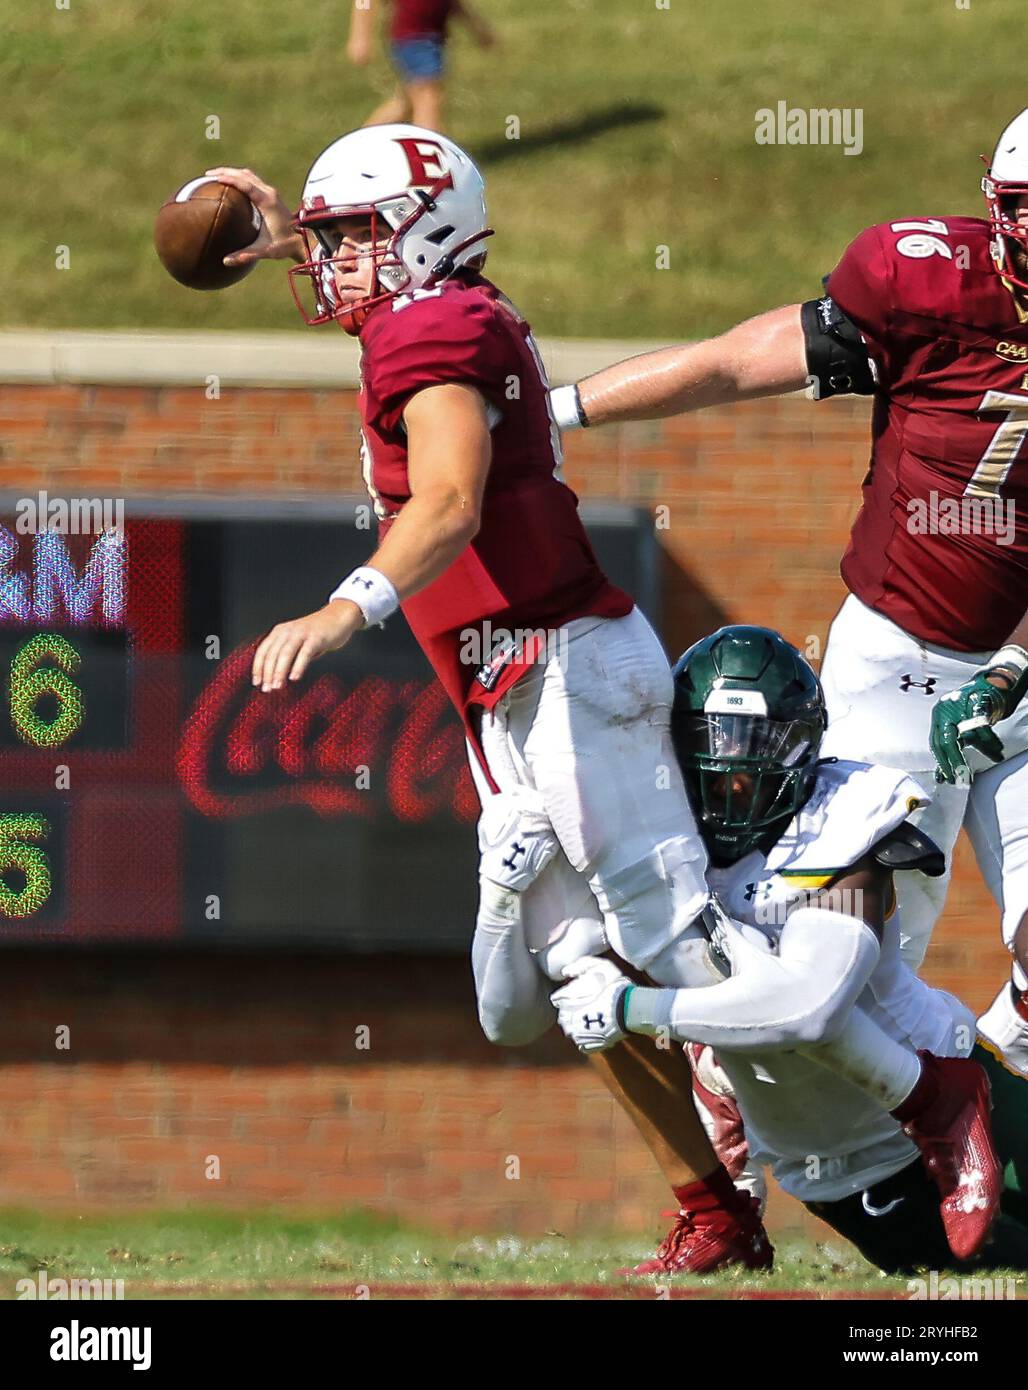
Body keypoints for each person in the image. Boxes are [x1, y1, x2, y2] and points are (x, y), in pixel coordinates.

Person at [203, 126, 772, 1273]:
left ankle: (901, 1112)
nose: (338, 264)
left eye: (359, 237)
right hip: (510, 680)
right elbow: (388, 316)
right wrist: (279, 243)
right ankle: (711, 1208)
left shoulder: (432, 329)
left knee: (678, 952)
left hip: (560, 662)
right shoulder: (429, 312)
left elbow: (452, 499)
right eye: (331, 243)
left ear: (426, 228)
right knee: (576, 976)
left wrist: (342, 607)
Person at [548, 110, 1028, 1079]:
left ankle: (988, 1118)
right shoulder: (925, 281)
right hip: (901, 665)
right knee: (855, 965)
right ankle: (798, 1171)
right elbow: (733, 360)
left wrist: (1014, 666)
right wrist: (553, 413)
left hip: (1020, 678)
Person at [552, 627, 1025, 1277]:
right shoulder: (665, 850)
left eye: (752, 748)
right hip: (845, 1169)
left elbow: (810, 1006)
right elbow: (707, 1045)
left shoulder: (841, 817)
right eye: (710, 744)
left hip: (955, 1081)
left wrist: (632, 1006)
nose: (729, 773)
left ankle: (949, 1099)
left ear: (800, 744)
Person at [347, 0, 497, 135]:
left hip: (434, 40)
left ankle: (356, 144)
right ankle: (428, 155)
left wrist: (477, 28)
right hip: (413, 37)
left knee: (407, 104)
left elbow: (454, 4)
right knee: (428, 99)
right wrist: (360, 35)